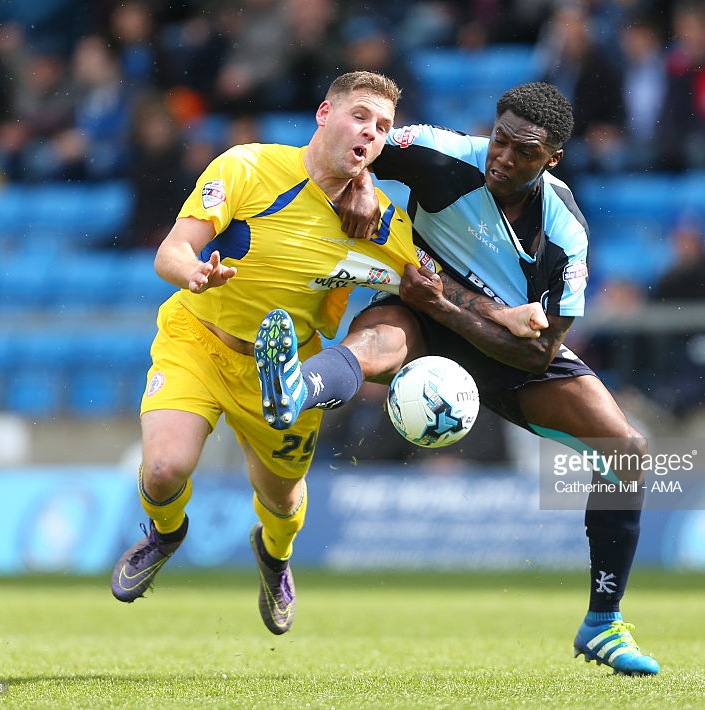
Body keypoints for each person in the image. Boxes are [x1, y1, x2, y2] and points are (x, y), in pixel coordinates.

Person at [108, 71, 539, 633]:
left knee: (282, 503)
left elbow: (433, 285)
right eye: (359, 115)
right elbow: (172, 250)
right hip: (198, 340)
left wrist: (499, 313)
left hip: (286, 371)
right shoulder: (247, 167)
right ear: (324, 114)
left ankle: (274, 558)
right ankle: (164, 534)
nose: (369, 132)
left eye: (382, 127)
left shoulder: (378, 219)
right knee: (165, 469)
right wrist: (195, 272)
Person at [255, 82, 660, 675]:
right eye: (499, 140)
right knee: (375, 344)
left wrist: (449, 307)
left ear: (552, 160)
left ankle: (603, 623)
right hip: (418, 313)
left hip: (503, 346)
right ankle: (295, 392)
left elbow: (540, 354)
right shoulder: (440, 152)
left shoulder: (565, 230)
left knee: (626, 453)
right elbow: (352, 149)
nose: (503, 158)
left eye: (524, 153)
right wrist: (365, 187)